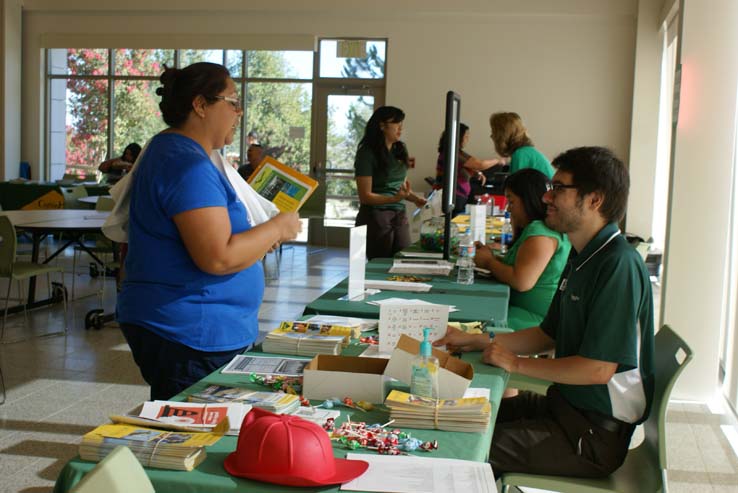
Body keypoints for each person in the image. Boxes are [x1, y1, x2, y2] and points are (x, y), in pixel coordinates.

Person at [435, 146, 654, 479]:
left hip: (591, 435)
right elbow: (546, 334)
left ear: (594, 200)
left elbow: (597, 369)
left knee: (460, 449)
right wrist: (478, 340)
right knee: (456, 416)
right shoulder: (583, 256)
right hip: (563, 407)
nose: (547, 197)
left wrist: (516, 364)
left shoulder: (618, 265)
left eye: (559, 188)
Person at [117, 62, 302, 400]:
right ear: (200, 105)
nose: (239, 112)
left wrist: (260, 240)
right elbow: (217, 257)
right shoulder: (185, 165)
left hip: (196, 328)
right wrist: (278, 226)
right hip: (188, 332)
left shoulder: (186, 154)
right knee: (197, 434)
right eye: (232, 102)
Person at [474, 169, 570, 330]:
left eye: (512, 202)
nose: (508, 209)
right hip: (523, 310)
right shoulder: (536, 228)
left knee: (473, 324)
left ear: (528, 201)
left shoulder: (540, 233)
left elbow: (522, 281)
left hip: (535, 319)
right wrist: (490, 258)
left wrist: (489, 262)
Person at [354, 106, 427, 259]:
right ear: (382, 125)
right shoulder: (366, 153)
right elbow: (365, 196)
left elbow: (401, 188)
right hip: (376, 217)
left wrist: (416, 199)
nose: (401, 128)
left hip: (399, 215)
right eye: (396, 124)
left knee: (402, 259)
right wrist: (394, 198)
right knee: (380, 264)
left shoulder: (399, 149)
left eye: (402, 124)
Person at [434, 123, 506, 215]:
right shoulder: (452, 153)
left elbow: (464, 168)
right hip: (452, 197)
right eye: (466, 136)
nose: (467, 139)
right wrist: (497, 161)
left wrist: (477, 174)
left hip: (459, 197)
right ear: (458, 137)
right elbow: (480, 164)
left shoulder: (457, 152)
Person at [490, 112, 554, 178]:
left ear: (502, 135)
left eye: (493, 132)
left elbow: (516, 186)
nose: (491, 136)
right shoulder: (525, 152)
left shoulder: (520, 155)